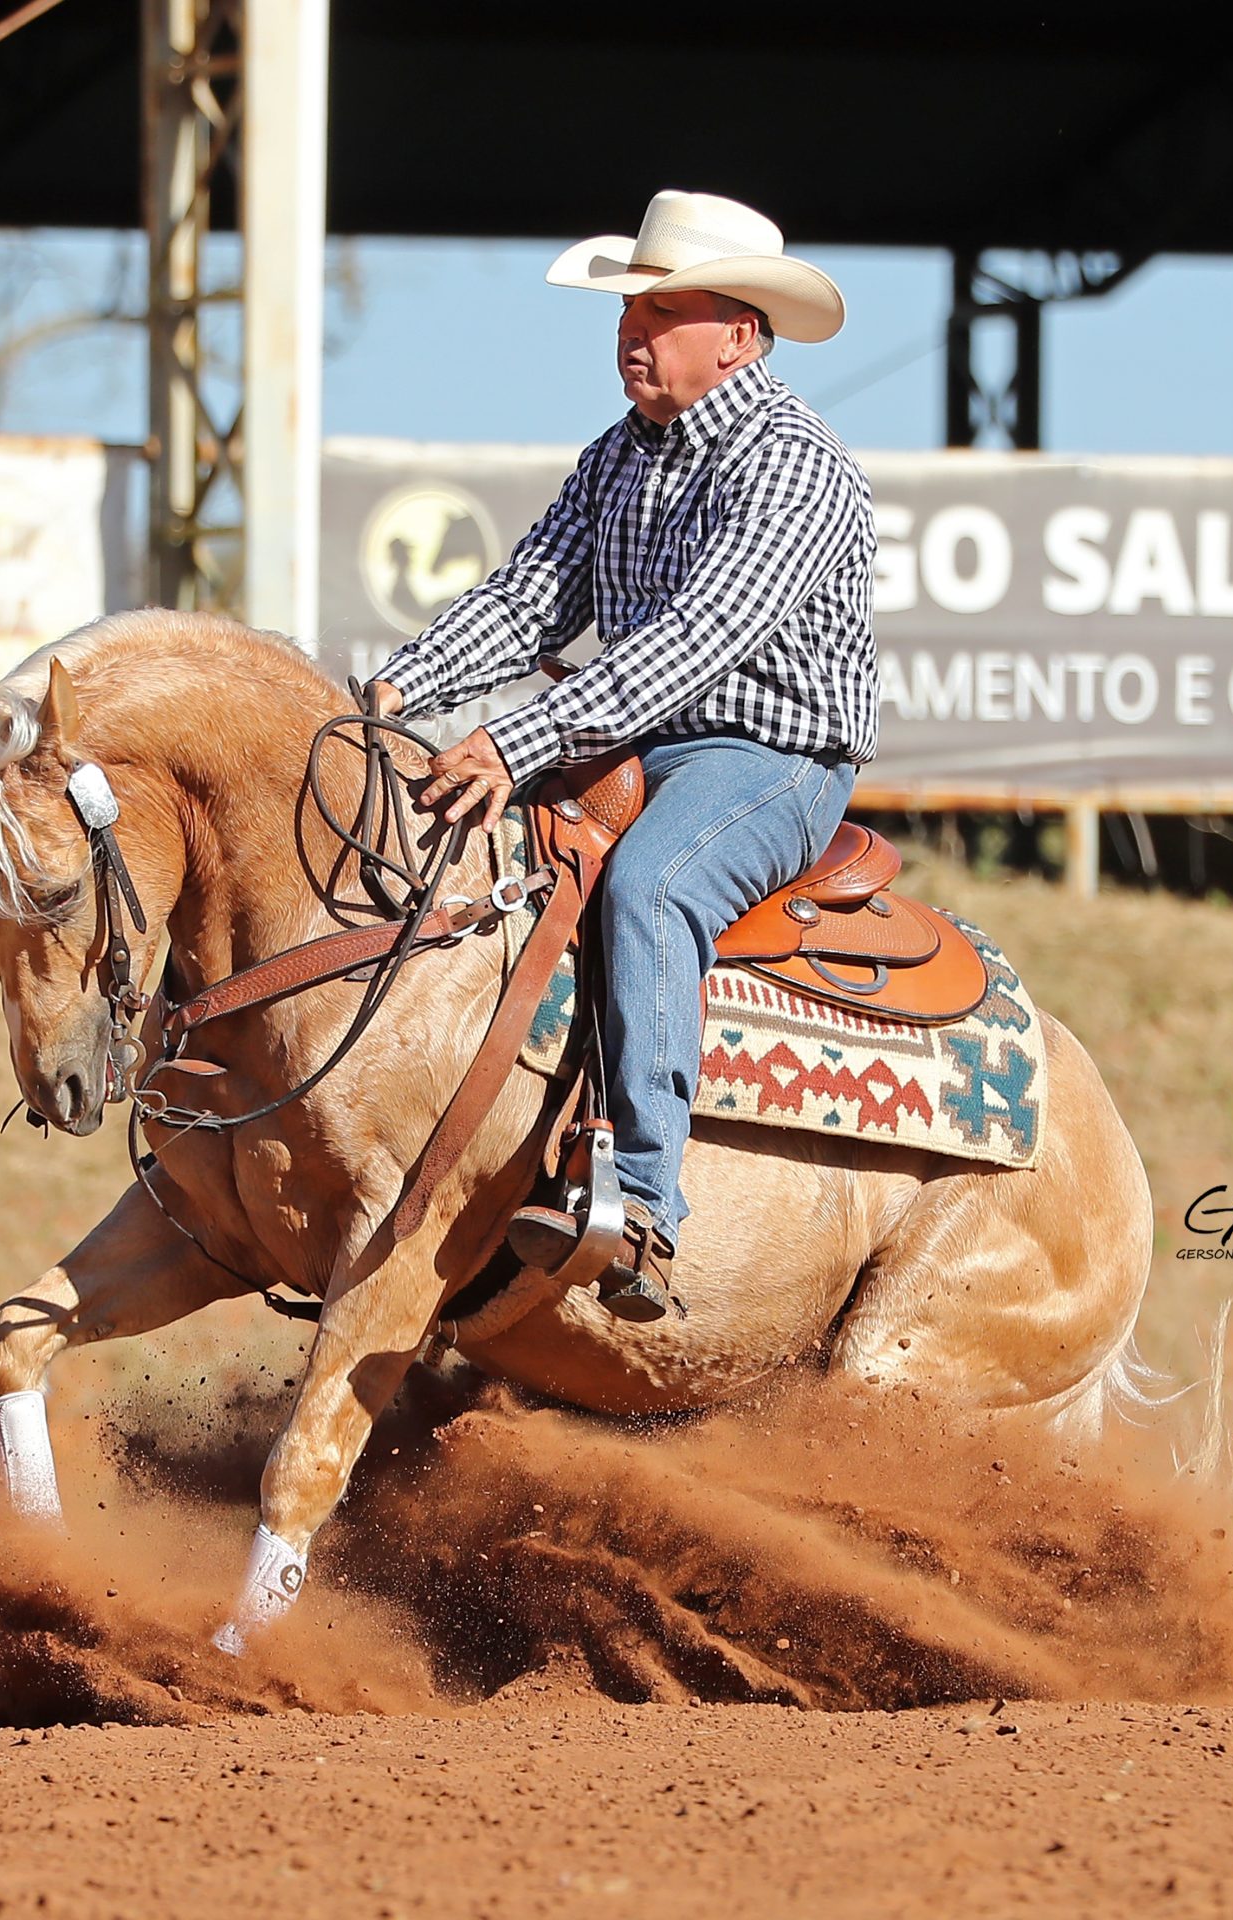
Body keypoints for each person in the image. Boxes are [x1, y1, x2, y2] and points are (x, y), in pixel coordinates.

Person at [366, 189, 879, 1320]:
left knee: (651, 885)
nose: (631, 333)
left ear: (739, 336)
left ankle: (640, 1201)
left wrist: (519, 736)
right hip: (639, 736)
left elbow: (698, 643)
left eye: (664, 311)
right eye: (628, 312)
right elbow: (526, 601)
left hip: (772, 756)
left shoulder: (794, 464)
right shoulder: (620, 455)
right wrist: (398, 687)